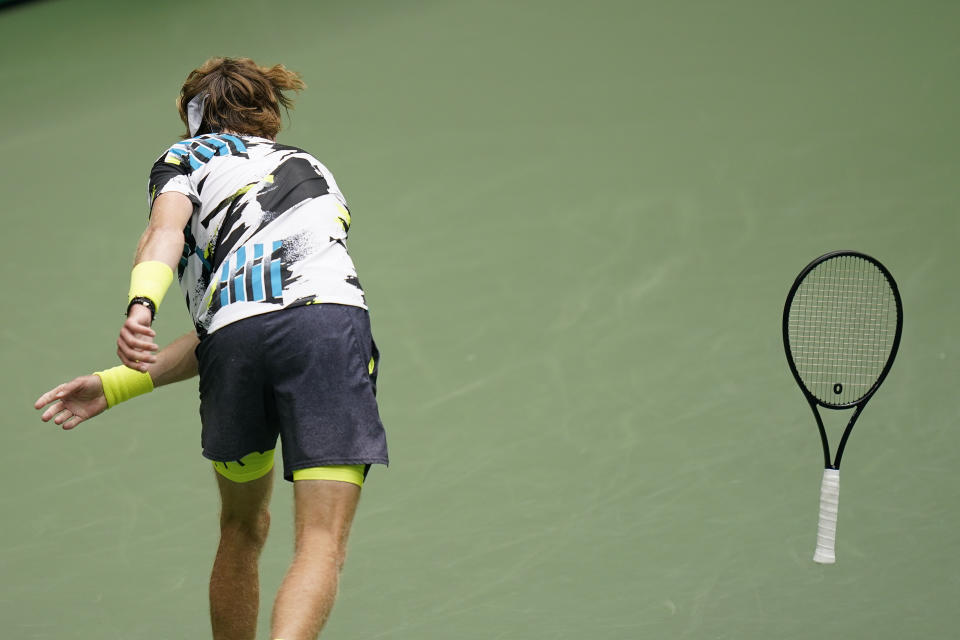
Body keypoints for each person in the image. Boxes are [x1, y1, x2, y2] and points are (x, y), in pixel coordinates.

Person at [33, 57, 388, 640]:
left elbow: (173, 241)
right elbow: (277, 311)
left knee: (240, 529)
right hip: (327, 329)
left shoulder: (184, 158)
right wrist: (118, 380)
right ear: (269, 112)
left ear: (193, 119)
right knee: (320, 542)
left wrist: (141, 306)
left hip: (234, 344)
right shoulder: (309, 167)